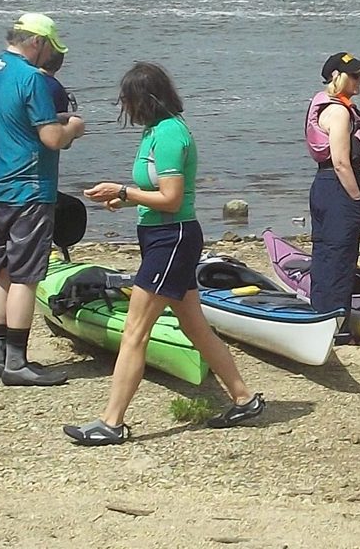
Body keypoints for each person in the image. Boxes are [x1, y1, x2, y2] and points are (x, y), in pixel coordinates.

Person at [66, 62, 262, 445]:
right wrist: (124, 201)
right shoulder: (155, 131)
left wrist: (123, 192)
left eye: (127, 99)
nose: (124, 107)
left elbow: (172, 200)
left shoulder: (169, 134)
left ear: (145, 98)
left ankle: (111, 423)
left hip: (171, 240)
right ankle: (244, 398)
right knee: (194, 325)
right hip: (163, 238)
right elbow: (158, 195)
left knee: (134, 332)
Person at [0, 12, 86, 386]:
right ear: (37, 42)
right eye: (51, 47)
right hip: (29, 188)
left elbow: (10, 118)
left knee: (1, 271)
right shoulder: (31, 79)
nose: (50, 57)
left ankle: (0, 357)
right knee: (26, 276)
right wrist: (73, 127)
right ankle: (18, 364)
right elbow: (52, 139)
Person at [306, 52, 360, 342]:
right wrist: (356, 199)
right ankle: (336, 324)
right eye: (355, 75)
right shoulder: (338, 112)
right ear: (337, 77)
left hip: (323, 186)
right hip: (337, 186)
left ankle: (320, 315)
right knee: (339, 257)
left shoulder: (323, 105)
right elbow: (340, 161)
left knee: (325, 253)